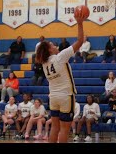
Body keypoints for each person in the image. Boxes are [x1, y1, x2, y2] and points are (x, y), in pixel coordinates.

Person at [35, 12, 86, 143]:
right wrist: (79, 23)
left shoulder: (44, 63)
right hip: (65, 96)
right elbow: (80, 41)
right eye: (52, 45)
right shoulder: (60, 57)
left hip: (53, 97)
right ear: (50, 50)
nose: (55, 46)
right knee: (64, 129)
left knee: (55, 128)